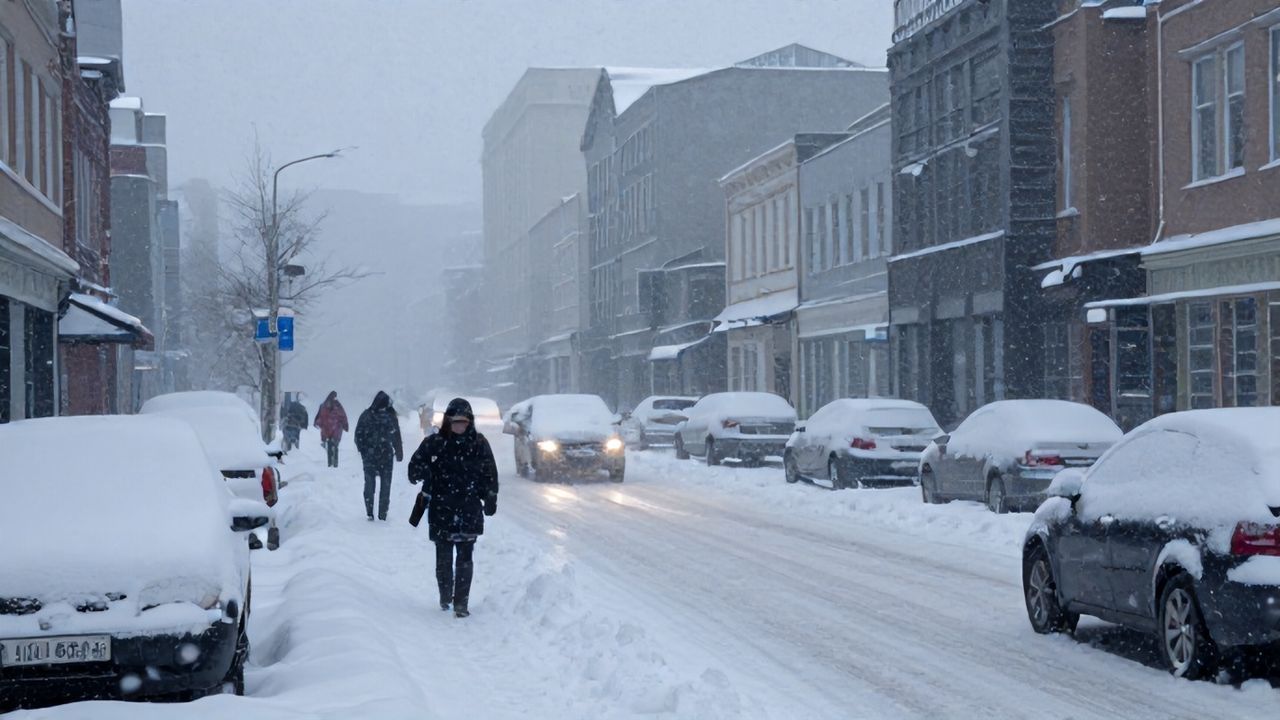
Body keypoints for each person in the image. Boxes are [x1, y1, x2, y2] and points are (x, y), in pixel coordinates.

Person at [408, 398, 498, 618]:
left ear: (470, 422)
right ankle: (445, 595)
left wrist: (491, 498)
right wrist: (427, 471)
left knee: (465, 557)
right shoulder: (434, 443)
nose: (460, 426)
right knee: (444, 557)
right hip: (442, 510)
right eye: (455, 421)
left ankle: (461, 603)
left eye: (464, 422)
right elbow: (413, 471)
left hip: (469, 509)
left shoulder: (479, 444)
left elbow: (490, 474)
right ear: (448, 421)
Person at [354, 390, 403, 521]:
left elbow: (358, 435)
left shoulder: (366, 415)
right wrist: (399, 452)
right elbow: (396, 436)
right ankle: (383, 514)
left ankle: (369, 511)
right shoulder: (391, 416)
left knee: (369, 483)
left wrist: (364, 450)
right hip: (386, 455)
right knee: (386, 486)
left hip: (369, 456)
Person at [314, 391, 349, 468]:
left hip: (328, 429)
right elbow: (343, 416)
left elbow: (320, 418)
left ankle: (331, 464)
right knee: (334, 446)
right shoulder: (337, 405)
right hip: (335, 429)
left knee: (331, 446)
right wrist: (345, 425)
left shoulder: (324, 406)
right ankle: (334, 464)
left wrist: (317, 422)